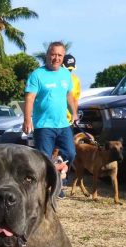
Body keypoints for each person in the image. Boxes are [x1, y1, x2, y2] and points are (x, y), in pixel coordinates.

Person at [22, 41, 78, 197]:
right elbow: (30, 98)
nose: (56, 58)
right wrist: (27, 120)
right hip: (44, 125)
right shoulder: (37, 75)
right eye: (53, 54)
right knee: (44, 159)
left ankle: (59, 178)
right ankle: (47, 190)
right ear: (47, 55)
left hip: (63, 124)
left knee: (71, 153)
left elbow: (69, 96)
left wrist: (74, 113)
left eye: (60, 55)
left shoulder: (66, 74)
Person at [63, 54, 82, 123]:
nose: (69, 70)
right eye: (67, 68)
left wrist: (74, 115)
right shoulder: (54, 78)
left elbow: (75, 100)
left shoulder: (76, 80)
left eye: (71, 69)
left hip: (69, 121)